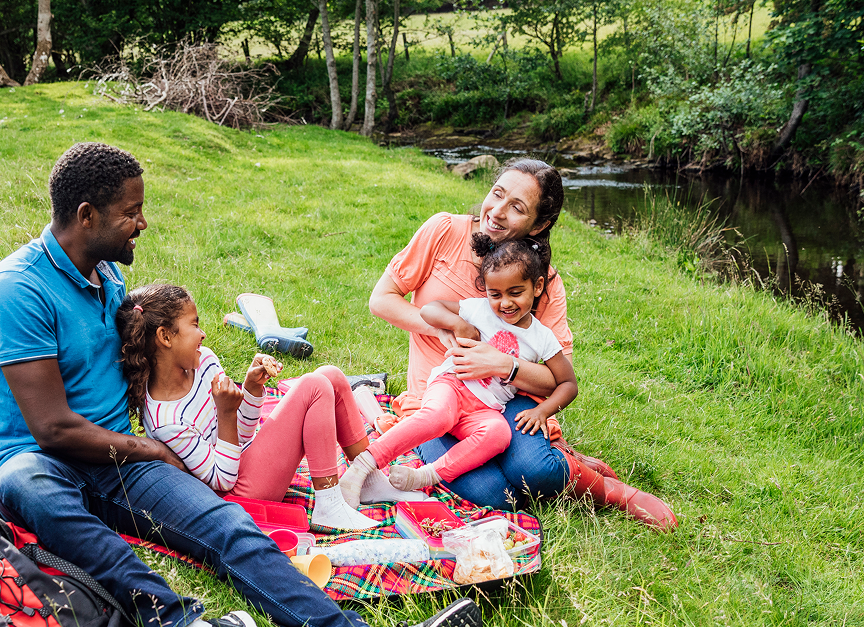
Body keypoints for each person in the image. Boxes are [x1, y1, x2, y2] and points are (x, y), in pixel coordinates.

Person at [0, 141, 484, 627]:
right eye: (130, 212)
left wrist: (211, 405)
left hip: (119, 457)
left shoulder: (108, 282)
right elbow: (51, 428)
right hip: (40, 456)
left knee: (228, 526)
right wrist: (151, 448)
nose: (142, 223)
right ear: (86, 215)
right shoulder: (16, 289)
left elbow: (145, 370)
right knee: (29, 486)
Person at [368, 158, 676, 530]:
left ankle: (610, 491)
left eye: (517, 207)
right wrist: (447, 329)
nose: (496, 213)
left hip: (506, 399)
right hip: (439, 395)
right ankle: (559, 464)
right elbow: (382, 298)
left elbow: (556, 378)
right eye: (496, 195)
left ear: (539, 224)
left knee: (535, 471)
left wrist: (502, 364)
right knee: (493, 492)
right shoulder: (443, 230)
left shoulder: (542, 282)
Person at [116, 283, 426, 533]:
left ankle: (368, 479)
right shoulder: (165, 419)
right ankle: (329, 505)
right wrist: (225, 412)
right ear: (165, 337)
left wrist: (250, 390)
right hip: (239, 495)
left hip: (249, 460)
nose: (203, 333)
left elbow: (245, 433)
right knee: (314, 387)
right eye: (194, 325)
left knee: (330, 375)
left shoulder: (205, 360)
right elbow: (223, 479)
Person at [343, 238, 577, 496]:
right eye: (495, 294)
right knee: (437, 416)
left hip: (486, 409)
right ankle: (364, 464)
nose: (505, 303)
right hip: (453, 386)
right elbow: (430, 309)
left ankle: (426, 475)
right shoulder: (479, 310)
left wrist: (543, 411)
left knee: (499, 433)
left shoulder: (542, 337)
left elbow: (568, 384)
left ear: (537, 286)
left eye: (516, 292)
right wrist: (457, 324)